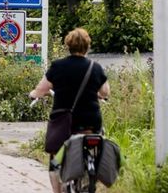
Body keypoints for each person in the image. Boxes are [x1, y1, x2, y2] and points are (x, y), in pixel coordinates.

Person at [30, 27, 110, 193]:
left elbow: (41, 89)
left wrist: (34, 94)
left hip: (64, 124)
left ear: (68, 45)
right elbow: (105, 93)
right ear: (87, 46)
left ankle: (57, 191)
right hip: (91, 123)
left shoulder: (58, 66)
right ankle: (91, 172)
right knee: (95, 147)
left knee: (54, 159)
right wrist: (96, 94)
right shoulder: (95, 68)